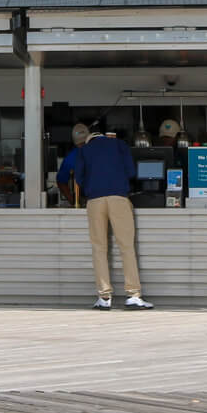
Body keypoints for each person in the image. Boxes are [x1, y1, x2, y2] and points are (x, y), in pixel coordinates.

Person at [59, 123, 152, 310]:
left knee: (99, 248)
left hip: (94, 201)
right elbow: (132, 172)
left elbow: (78, 178)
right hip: (118, 198)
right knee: (126, 247)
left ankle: (104, 297)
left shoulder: (84, 150)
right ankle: (133, 295)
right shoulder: (119, 145)